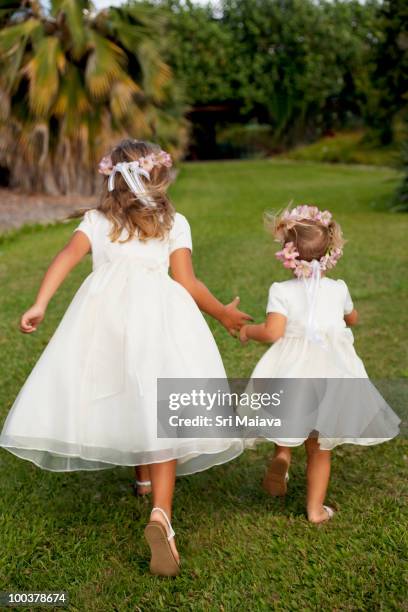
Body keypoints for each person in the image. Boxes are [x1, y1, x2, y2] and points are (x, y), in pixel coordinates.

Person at [0, 139, 250, 575]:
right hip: (161, 319)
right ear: (159, 176)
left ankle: (140, 477)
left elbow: (65, 258)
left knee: (128, 388)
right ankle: (162, 515)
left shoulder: (96, 221)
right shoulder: (175, 222)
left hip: (105, 321)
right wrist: (224, 314)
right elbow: (187, 282)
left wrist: (40, 303)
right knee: (160, 402)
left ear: (111, 177)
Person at [239, 204, 400, 524]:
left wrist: (247, 331)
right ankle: (315, 510)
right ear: (331, 252)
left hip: (292, 370)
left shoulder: (281, 291)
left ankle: (283, 454)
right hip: (331, 374)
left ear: (288, 254)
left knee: (284, 415)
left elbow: (273, 332)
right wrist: (343, 317)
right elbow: (351, 318)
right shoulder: (338, 289)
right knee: (320, 446)